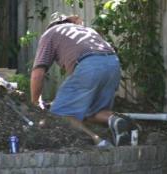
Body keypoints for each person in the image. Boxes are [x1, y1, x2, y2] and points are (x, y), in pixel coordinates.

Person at [30, 12, 130, 147]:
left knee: (59, 114)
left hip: (89, 65)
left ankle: (98, 141)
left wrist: (35, 103)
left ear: (52, 25)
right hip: (113, 63)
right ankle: (116, 121)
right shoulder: (86, 30)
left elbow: (38, 73)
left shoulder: (50, 34)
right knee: (90, 111)